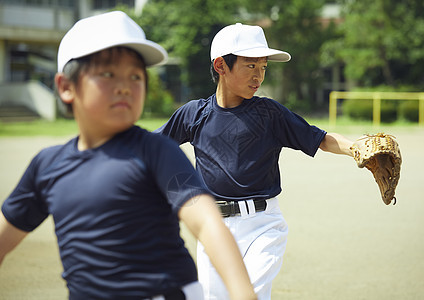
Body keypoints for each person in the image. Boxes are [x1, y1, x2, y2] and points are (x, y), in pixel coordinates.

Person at [0, 12, 257, 300]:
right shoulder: (47, 166)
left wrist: (242, 292)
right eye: (108, 74)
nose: (124, 85)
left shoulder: (156, 151)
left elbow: (206, 222)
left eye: (135, 76)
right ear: (66, 87)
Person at [154, 23, 356, 299]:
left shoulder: (269, 113)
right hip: (214, 227)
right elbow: (151, 147)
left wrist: (357, 149)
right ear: (221, 65)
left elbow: (319, 138)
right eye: (250, 66)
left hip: (263, 225)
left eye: (263, 67)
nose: (258, 76)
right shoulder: (194, 114)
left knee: (251, 295)